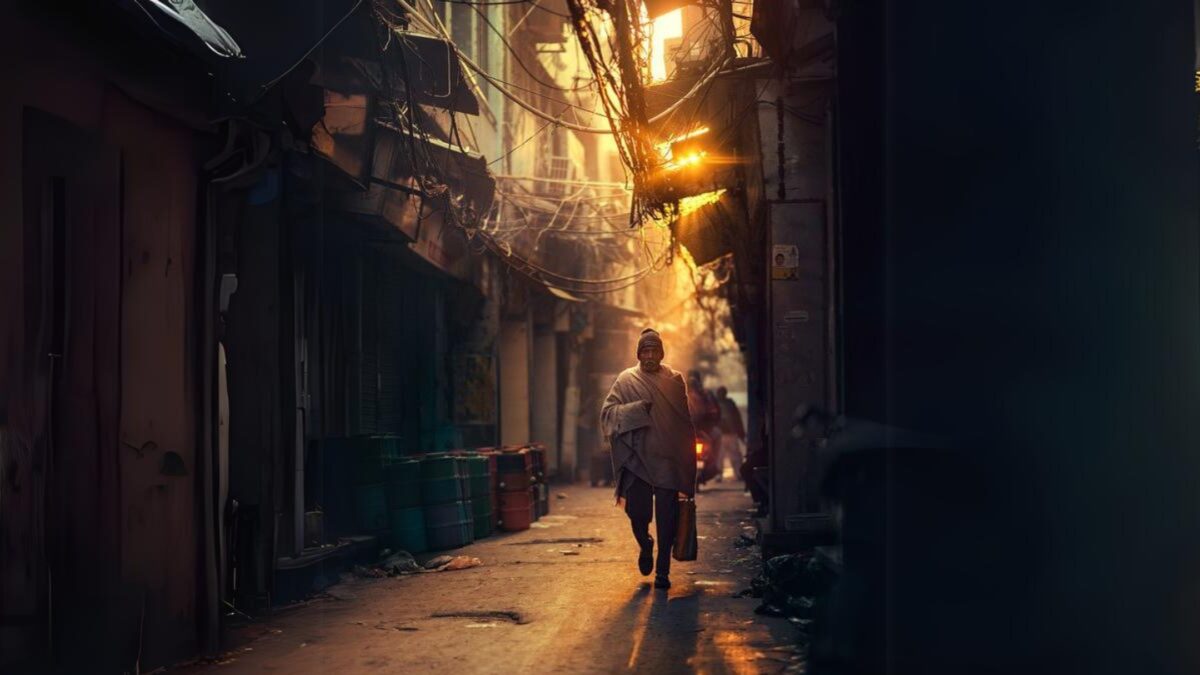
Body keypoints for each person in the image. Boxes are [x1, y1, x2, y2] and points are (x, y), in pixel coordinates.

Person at [600, 328, 697, 589]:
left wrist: (689, 469)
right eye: (645, 351)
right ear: (639, 354)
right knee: (637, 513)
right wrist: (636, 411)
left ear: (662, 353)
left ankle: (662, 572)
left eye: (655, 350)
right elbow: (607, 415)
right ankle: (645, 543)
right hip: (637, 461)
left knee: (667, 518)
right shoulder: (625, 380)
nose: (650, 355)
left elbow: (684, 422)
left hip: (667, 459)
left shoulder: (674, 380)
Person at [715, 386, 745, 484]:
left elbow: (737, 419)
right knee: (727, 456)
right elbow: (737, 419)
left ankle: (735, 474)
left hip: (726, 434)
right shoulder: (728, 404)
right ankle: (736, 474)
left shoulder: (721, 404)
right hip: (724, 434)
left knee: (726, 456)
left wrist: (741, 432)